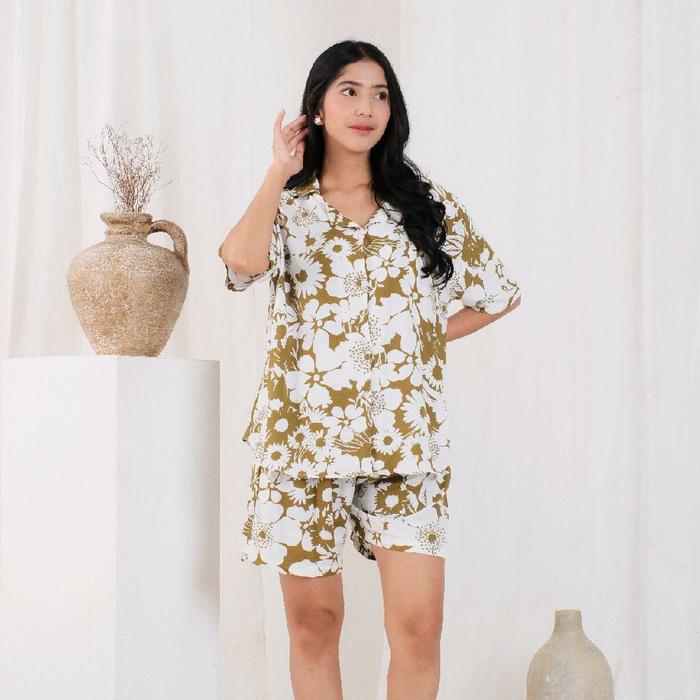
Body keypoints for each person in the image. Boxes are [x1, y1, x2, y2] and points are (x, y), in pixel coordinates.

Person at [218, 40, 521, 700]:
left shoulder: (423, 203)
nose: (366, 107)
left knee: (418, 628)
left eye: (380, 94)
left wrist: (417, 340)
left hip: (405, 441)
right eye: (349, 91)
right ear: (317, 107)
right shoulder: (289, 203)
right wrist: (277, 172)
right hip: (302, 439)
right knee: (314, 626)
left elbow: (498, 294)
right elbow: (240, 265)